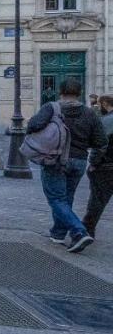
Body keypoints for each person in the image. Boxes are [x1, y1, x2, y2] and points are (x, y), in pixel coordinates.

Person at [27, 78, 105, 254]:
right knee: (66, 198)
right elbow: (101, 141)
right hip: (79, 161)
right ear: (80, 92)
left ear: (60, 91)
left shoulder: (52, 108)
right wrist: (93, 161)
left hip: (56, 159)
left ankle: (79, 231)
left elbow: (33, 125)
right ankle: (58, 234)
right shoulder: (89, 113)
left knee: (56, 199)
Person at [83, 95, 113, 238]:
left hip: (106, 167)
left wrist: (93, 163)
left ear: (105, 104)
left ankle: (87, 231)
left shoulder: (108, 121)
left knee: (97, 201)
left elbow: (100, 145)